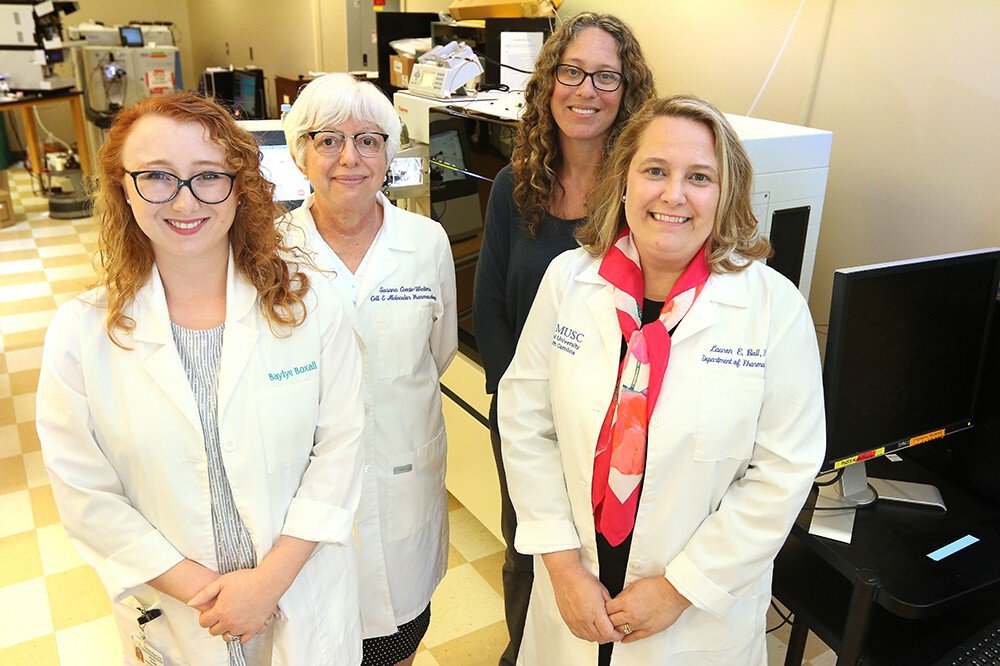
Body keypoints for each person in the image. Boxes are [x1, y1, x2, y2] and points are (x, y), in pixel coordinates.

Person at [35, 92, 366, 665]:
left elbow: (341, 448)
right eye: (156, 176)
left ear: (240, 187)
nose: (184, 200)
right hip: (180, 616)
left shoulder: (310, 307)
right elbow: (85, 494)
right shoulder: (79, 333)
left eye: (208, 175)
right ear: (122, 188)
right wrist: (209, 595)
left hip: (298, 595)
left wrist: (266, 585)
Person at [498, 94, 826, 665]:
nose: (674, 195)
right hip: (574, 580)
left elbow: (784, 469)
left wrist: (680, 589)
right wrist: (562, 566)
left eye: (699, 177)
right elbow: (526, 422)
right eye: (655, 170)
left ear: (725, 194)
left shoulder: (775, 308)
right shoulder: (568, 280)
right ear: (623, 182)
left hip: (693, 612)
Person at [472, 13, 655, 664]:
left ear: (627, 92)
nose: (586, 90)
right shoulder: (514, 187)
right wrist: (518, 407)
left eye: (606, 76)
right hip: (526, 419)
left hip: (611, 421)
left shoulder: (640, 194)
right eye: (572, 71)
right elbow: (489, 307)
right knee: (529, 550)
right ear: (549, 82)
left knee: (603, 562)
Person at [281, 73, 457, 666]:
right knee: (316, 637)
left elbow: (436, 354)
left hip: (404, 474)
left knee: (397, 633)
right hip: (306, 491)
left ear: (389, 154)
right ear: (300, 154)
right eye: (328, 140)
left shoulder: (427, 242)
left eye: (369, 140)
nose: (350, 158)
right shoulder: (270, 253)